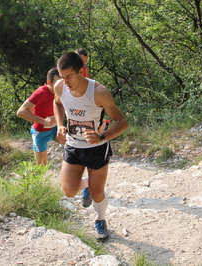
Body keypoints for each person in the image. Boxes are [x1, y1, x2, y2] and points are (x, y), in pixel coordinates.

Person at [54, 51, 128, 241]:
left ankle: (100, 219)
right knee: (69, 191)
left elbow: (122, 122)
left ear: (82, 71)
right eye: (62, 77)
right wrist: (60, 124)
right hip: (73, 145)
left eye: (69, 76)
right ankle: (86, 183)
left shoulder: (99, 92)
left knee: (97, 193)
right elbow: (57, 103)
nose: (66, 82)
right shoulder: (60, 86)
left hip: (96, 148)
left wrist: (102, 136)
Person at [16, 68, 64, 165]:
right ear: (49, 82)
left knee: (74, 143)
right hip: (40, 134)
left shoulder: (63, 91)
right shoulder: (41, 93)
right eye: (57, 83)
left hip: (55, 130)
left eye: (62, 82)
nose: (60, 86)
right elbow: (21, 111)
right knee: (42, 165)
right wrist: (43, 121)